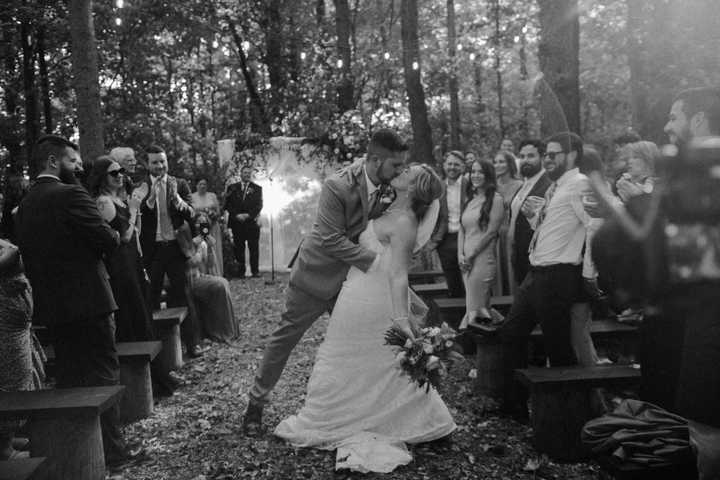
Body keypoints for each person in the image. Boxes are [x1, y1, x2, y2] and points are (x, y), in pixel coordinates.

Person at [274, 164, 454, 473]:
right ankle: (368, 414)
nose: (400, 170)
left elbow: (398, 274)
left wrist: (400, 317)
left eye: (408, 171)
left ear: (413, 187)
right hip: (356, 290)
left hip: (373, 299)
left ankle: (418, 420)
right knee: (356, 359)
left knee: (368, 360)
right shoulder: (388, 209)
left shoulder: (404, 221)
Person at [242, 129, 409, 435]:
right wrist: (376, 262)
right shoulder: (337, 185)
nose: (401, 172)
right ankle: (255, 405)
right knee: (284, 341)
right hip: (315, 277)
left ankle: (368, 408)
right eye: (395, 166)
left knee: (371, 339)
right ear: (374, 160)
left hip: (351, 283)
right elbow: (331, 240)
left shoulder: (390, 188)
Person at [15, 135, 136, 467]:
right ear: (53, 162)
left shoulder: (24, 206)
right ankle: (113, 452)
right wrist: (111, 234)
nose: (80, 166)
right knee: (104, 376)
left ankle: (78, 454)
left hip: (53, 310)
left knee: (70, 382)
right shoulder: (71, 194)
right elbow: (108, 240)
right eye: (73, 160)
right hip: (91, 303)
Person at [497, 132, 591, 418]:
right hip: (535, 274)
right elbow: (555, 229)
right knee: (511, 333)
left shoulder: (580, 184)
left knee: (558, 347)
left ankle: (569, 419)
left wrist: (589, 273)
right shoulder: (556, 186)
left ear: (572, 154)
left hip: (559, 276)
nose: (548, 158)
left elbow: (595, 226)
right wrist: (532, 217)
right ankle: (514, 405)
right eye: (546, 154)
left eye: (554, 154)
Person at [137, 145, 201, 358]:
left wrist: (179, 202)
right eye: (155, 162)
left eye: (162, 161)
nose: (160, 165)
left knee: (182, 293)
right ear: (148, 164)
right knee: (151, 295)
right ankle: (154, 348)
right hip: (152, 250)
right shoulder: (141, 186)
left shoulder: (179, 184)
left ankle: (192, 344)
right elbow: (136, 215)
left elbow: (193, 214)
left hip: (175, 247)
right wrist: (149, 200)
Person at [90, 157, 153, 343]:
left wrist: (136, 209)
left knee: (142, 305)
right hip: (121, 264)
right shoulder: (104, 201)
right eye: (114, 173)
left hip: (133, 260)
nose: (119, 176)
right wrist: (133, 210)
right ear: (103, 176)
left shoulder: (119, 199)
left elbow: (136, 232)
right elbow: (124, 237)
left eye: (121, 171)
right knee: (132, 307)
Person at [458, 159, 505, 331]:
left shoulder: (496, 199)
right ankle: (489, 347)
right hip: (465, 261)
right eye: (473, 172)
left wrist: (471, 255)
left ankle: (482, 350)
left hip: (482, 259)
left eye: (480, 172)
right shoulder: (470, 199)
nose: (476, 175)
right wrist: (460, 256)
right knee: (476, 305)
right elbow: (462, 229)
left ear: (488, 175)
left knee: (476, 306)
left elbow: (491, 232)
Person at [0, 239, 35, 460]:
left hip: (14, 315)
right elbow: (12, 252)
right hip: (6, 319)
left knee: (19, 376)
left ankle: (8, 437)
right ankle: (4, 447)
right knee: (10, 380)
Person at [508, 139, 552, 289]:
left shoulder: (548, 184)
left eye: (531, 156)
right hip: (519, 252)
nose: (525, 160)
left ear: (542, 157)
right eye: (522, 156)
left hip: (536, 256)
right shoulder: (524, 184)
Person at [186, 213, 237, 342]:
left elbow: (210, 264)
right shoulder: (188, 239)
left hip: (199, 275)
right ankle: (219, 331)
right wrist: (198, 246)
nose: (200, 226)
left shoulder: (203, 241)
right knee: (219, 286)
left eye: (204, 223)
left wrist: (208, 248)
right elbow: (191, 263)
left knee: (223, 282)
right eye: (198, 222)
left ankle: (228, 330)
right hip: (189, 279)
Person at [426, 151, 469, 298]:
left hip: (468, 237)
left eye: (456, 164)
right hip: (445, 239)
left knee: (471, 280)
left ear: (463, 167)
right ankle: (456, 317)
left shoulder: (470, 185)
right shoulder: (438, 187)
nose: (452, 167)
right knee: (453, 282)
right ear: (444, 165)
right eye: (449, 164)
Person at [224, 165, 263, 278]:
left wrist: (248, 215)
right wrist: (236, 215)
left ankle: (255, 271)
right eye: (245, 172)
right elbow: (228, 204)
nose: (247, 175)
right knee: (239, 248)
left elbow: (259, 205)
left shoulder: (257, 188)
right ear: (241, 174)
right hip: (237, 223)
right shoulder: (232, 187)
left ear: (251, 175)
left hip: (251, 223)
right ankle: (241, 272)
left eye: (248, 173)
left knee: (254, 248)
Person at [493, 150, 523, 296]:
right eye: (496, 162)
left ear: (510, 164)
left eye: (501, 161)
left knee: (512, 270)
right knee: (496, 272)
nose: (498, 165)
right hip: (493, 234)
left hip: (512, 232)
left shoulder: (520, 185)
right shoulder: (491, 185)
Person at [191, 177, 223, 276]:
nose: (203, 186)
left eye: (204, 184)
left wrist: (212, 214)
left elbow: (218, 212)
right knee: (201, 248)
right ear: (196, 185)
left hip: (212, 227)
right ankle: (202, 272)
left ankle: (215, 273)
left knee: (212, 248)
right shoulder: (191, 197)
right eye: (200, 184)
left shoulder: (212, 196)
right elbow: (190, 213)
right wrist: (199, 216)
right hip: (198, 228)